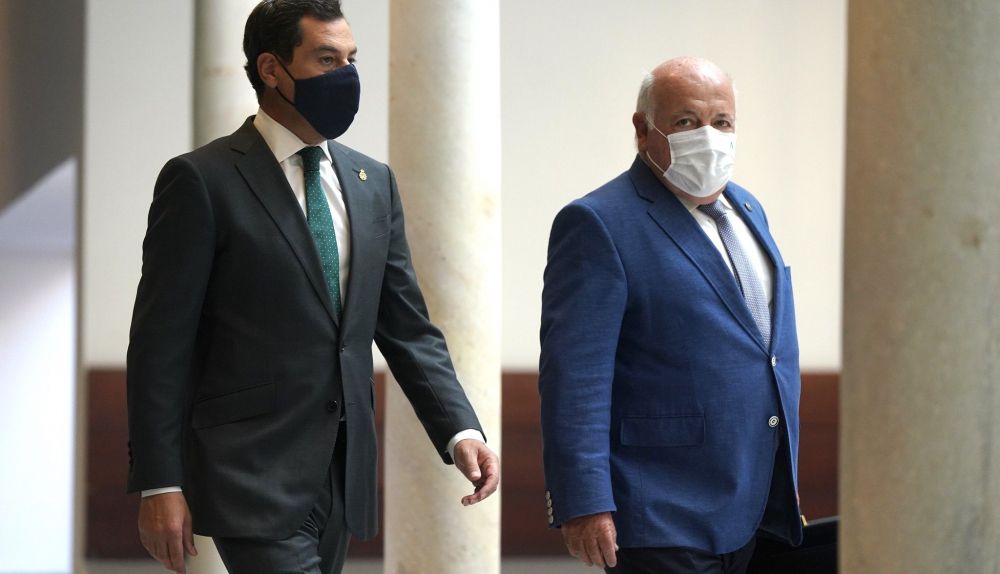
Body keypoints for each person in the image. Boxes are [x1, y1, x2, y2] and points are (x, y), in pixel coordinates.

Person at [125, 2, 499, 573]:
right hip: (247, 470)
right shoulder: (202, 180)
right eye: (326, 59)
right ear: (271, 69)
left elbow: (406, 327)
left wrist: (459, 429)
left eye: (351, 59)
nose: (346, 74)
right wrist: (159, 482)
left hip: (343, 473)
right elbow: (160, 343)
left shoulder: (372, 183)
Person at [538, 56, 802, 574]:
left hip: (755, 504)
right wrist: (583, 500)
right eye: (686, 121)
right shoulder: (598, 222)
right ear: (643, 130)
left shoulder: (748, 210)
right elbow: (575, 377)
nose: (709, 136)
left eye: (721, 122)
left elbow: (762, 350)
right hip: (659, 509)